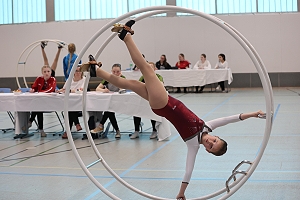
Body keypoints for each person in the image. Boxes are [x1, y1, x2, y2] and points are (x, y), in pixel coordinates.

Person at [82, 20, 265, 199]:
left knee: (147, 69)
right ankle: (97, 72)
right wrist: (253, 114)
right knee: (128, 82)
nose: (210, 141)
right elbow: (231, 118)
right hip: (163, 102)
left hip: (163, 103)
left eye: (210, 146)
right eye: (214, 140)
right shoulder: (207, 127)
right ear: (216, 136)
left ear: (207, 151)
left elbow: (188, 171)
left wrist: (181, 193)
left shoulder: (193, 145)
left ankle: (126, 36)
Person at [23, 42, 60, 137]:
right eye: (45, 72)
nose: (47, 73)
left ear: (50, 72)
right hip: (41, 99)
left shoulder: (52, 77)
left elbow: (51, 89)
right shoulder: (40, 78)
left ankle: (31, 121)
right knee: (38, 106)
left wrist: (59, 49)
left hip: (49, 97)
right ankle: (39, 128)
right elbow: (34, 87)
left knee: (52, 61)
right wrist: (33, 90)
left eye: (48, 71)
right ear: (42, 72)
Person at [90, 63, 125, 139]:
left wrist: (117, 80)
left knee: (109, 110)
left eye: (118, 72)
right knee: (109, 111)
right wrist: (103, 90)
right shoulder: (108, 78)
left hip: (120, 101)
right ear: (111, 71)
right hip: (109, 101)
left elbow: (123, 89)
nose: (115, 73)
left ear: (120, 72)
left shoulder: (123, 78)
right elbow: (97, 88)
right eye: (114, 72)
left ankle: (101, 125)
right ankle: (116, 130)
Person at [130, 62, 163, 139]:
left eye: (151, 68)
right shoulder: (142, 77)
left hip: (154, 100)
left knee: (152, 112)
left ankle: (154, 130)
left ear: (154, 69)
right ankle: (136, 131)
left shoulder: (158, 77)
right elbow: (138, 86)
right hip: (143, 99)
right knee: (136, 111)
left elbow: (161, 85)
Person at [58, 65, 85, 139]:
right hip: (70, 103)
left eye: (79, 71)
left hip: (80, 104)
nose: (78, 73)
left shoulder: (84, 80)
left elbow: (80, 90)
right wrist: (59, 90)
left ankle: (68, 131)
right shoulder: (69, 80)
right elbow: (64, 89)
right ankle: (76, 124)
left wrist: (70, 90)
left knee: (69, 109)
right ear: (73, 72)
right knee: (69, 108)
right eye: (76, 71)